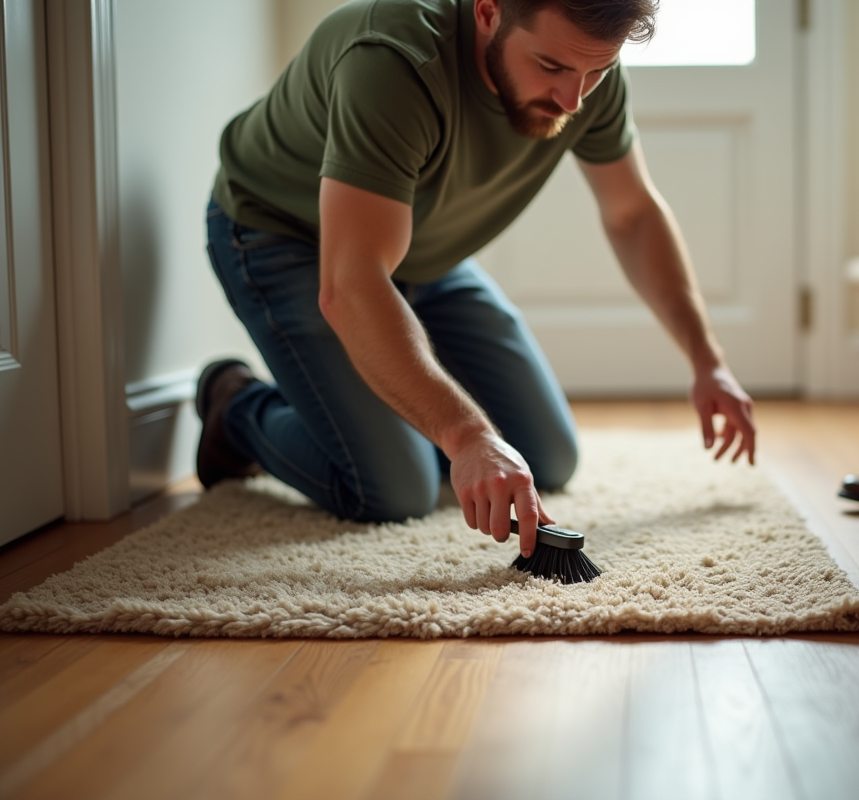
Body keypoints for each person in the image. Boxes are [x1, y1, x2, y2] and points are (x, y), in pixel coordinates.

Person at [199, 0, 757, 562]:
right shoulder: (393, 62)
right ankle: (236, 405)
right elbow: (351, 283)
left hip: (423, 250)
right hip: (285, 238)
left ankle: (392, 412)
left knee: (548, 456)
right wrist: (466, 436)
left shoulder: (584, 68)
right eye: (552, 67)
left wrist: (707, 360)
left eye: (597, 73)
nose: (574, 99)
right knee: (393, 489)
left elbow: (633, 215)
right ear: (488, 10)